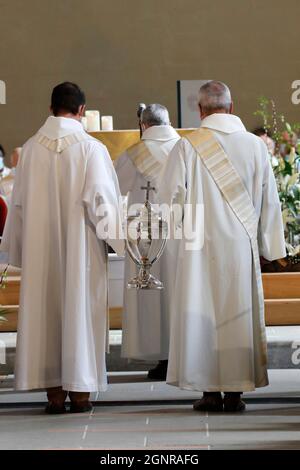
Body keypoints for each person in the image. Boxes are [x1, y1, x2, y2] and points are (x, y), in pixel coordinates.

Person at [159, 81, 286, 412]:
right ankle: (235, 392)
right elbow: (270, 202)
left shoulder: (187, 146)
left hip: (199, 247)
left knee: (204, 314)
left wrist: (175, 240)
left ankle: (209, 392)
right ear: (231, 107)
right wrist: (272, 250)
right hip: (241, 248)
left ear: (200, 110)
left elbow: (170, 199)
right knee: (236, 315)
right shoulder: (256, 147)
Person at [0, 82, 124, 413]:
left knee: (46, 313)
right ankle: (80, 393)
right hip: (79, 250)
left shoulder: (29, 150)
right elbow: (103, 206)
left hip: (42, 253)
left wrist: (19, 250)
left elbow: (18, 205)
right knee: (78, 309)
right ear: (81, 111)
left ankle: (54, 394)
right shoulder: (91, 149)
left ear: (51, 107)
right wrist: (123, 242)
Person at [115, 104, 180, 380]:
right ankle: (181, 356)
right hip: (180, 234)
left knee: (151, 295)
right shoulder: (185, 149)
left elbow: (113, 187)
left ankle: (161, 357)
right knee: (177, 291)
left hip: (144, 236)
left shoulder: (134, 153)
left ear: (143, 125)